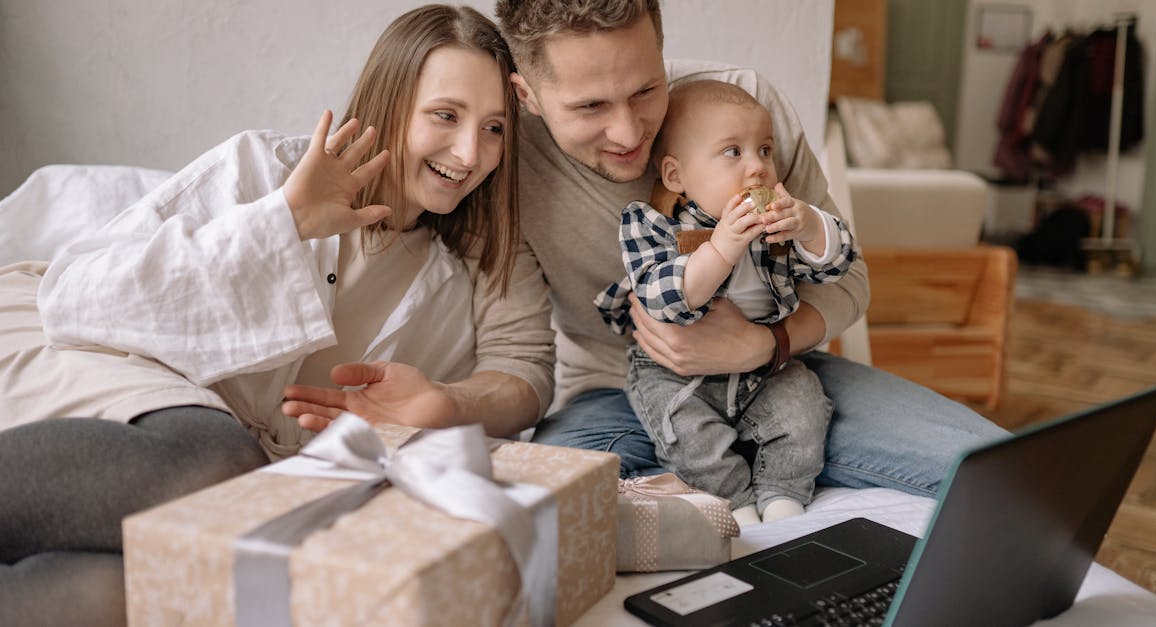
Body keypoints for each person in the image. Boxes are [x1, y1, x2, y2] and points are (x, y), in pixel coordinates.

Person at [286, 0, 1007, 503]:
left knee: (992, 471)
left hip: (786, 373)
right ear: (526, 93)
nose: (630, 132)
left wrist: (765, 344)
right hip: (610, 397)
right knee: (524, 506)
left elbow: (850, 285)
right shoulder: (501, 159)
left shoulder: (743, 111)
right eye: (590, 108)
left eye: (646, 88)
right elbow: (518, 352)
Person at [0, 5, 552, 626]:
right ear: (393, 103)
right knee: (220, 460)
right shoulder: (267, 169)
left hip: (232, 473)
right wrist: (284, 221)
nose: (469, 151)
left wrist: (449, 402)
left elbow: (524, 373)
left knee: (134, 594)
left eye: (495, 128)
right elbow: (76, 294)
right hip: (95, 360)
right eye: (446, 116)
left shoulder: (479, 255)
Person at [594, 80, 857, 525]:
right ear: (677, 176)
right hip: (673, 374)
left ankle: (783, 497)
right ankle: (734, 505)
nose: (758, 169)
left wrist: (811, 225)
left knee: (805, 407)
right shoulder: (650, 223)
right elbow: (662, 298)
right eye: (733, 152)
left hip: (765, 367)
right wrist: (720, 249)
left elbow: (835, 267)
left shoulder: (781, 222)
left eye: (766, 150)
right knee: (688, 434)